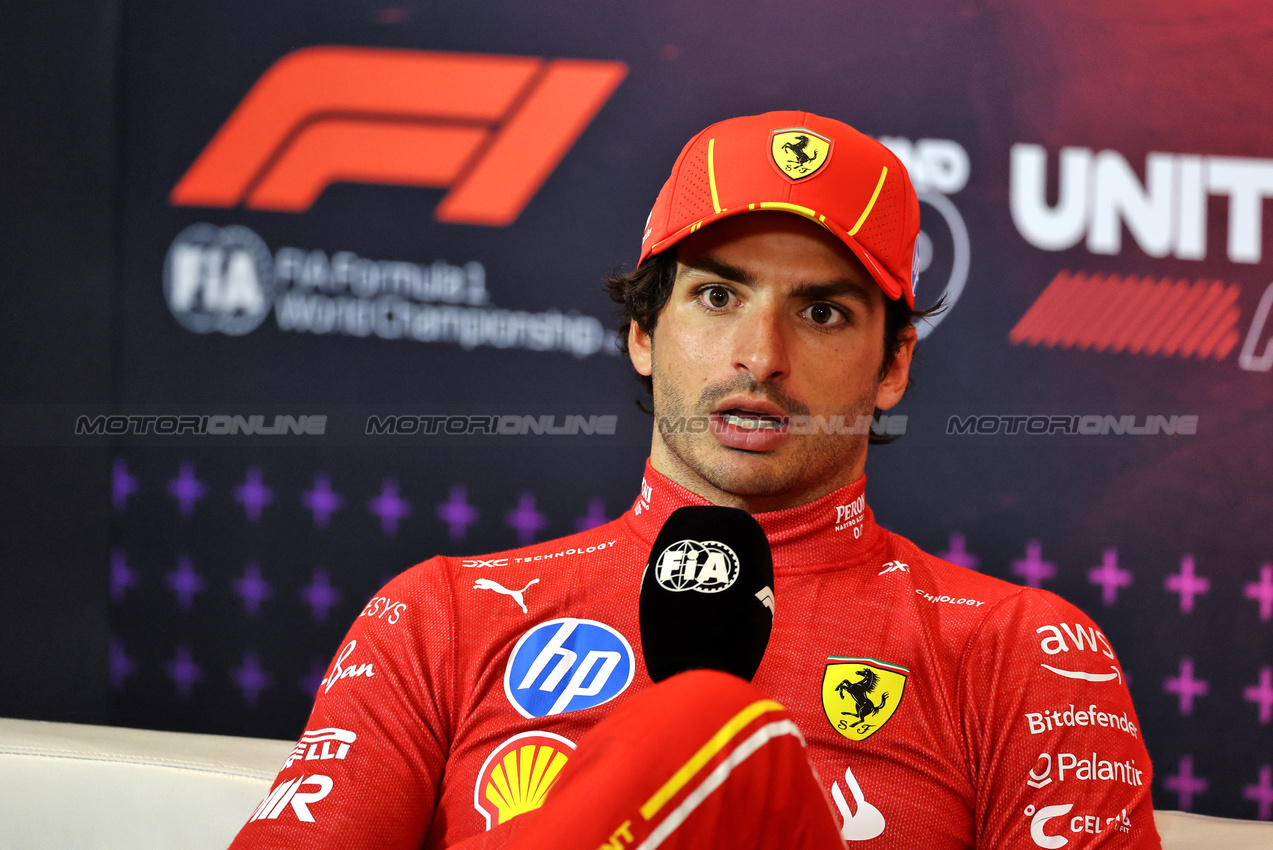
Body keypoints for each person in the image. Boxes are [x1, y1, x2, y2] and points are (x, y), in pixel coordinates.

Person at [229, 111, 1159, 849]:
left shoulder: (1020, 650)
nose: (759, 358)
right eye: (717, 297)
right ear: (643, 332)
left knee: (715, 724)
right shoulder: (442, 615)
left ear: (893, 364)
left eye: (824, 312)